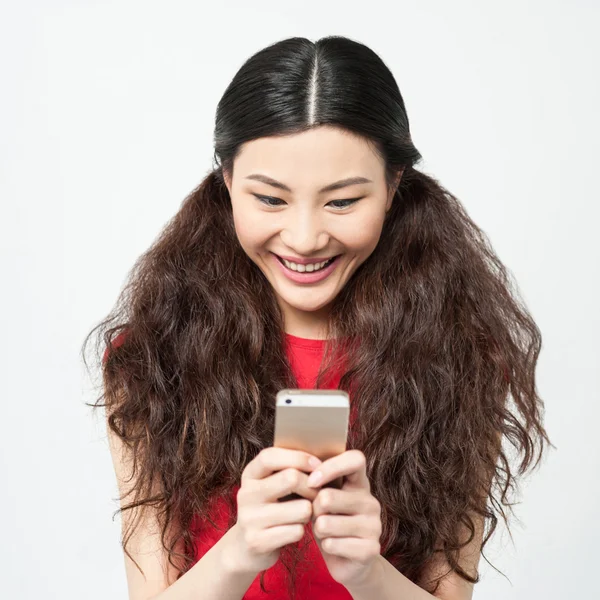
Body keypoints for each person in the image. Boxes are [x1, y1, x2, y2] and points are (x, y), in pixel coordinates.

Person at [83, 35, 553, 600]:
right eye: (271, 200)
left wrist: (367, 572)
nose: (305, 239)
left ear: (393, 185)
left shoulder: (466, 359)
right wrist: (237, 554)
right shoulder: (148, 358)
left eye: (342, 201)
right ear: (228, 182)